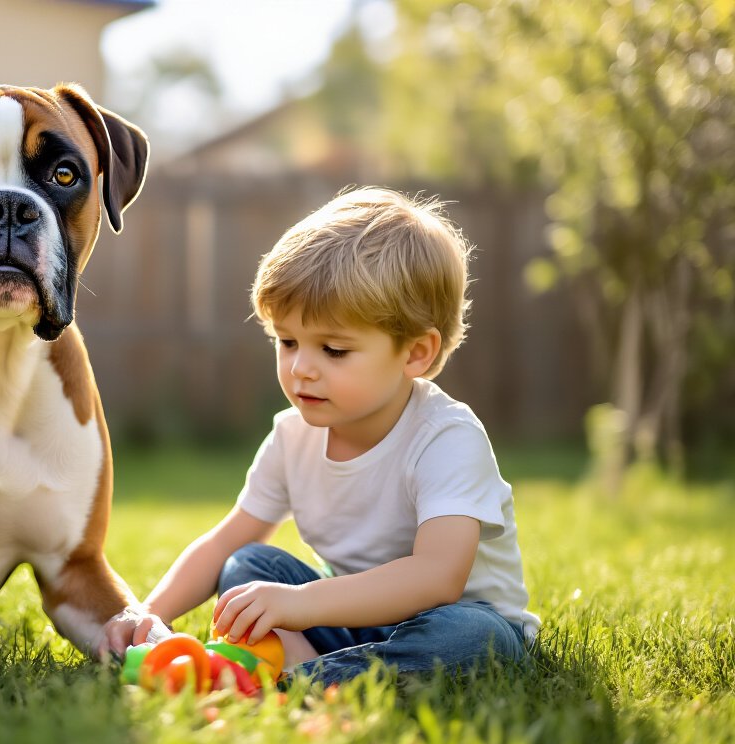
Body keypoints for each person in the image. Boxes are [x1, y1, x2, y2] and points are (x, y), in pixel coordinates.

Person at [100, 187, 540, 684]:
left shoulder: (446, 438)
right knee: (247, 565)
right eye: (287, 342)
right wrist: (148, 612)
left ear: (416, 353)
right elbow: (228, 540)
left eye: (333, 350)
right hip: (348, 618)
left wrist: (299, 603)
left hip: (452, 619)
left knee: (473, 636)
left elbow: (438, 576)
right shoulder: (293, 437)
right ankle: (320, 671)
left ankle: (302, 680)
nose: (301, 369)